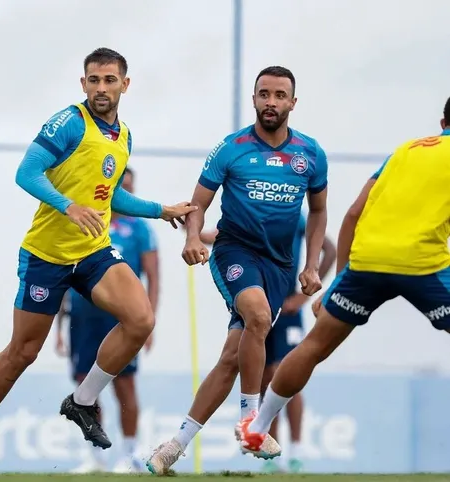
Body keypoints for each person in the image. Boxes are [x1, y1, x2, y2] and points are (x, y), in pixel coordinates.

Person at [0, 47, 196, 476]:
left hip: (93, 249)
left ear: (125, 84)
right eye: (94, 81)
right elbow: (26, 173)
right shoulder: (68, 122)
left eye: (110, 80)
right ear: (83, 84)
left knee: (140, 320)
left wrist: (162, 210)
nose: (102, 88)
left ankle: (81, 402)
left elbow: (110, 195)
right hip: (47, 255)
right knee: (22, 352)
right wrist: (68, 206)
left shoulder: (123, 136)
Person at [237, 99, 450, 459]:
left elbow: (353, 213)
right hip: (422, 265)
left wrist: (337, 284)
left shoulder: (405, 151)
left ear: (443, 120)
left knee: (314, 346)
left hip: (366, 262)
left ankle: (256, 429)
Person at [147, 65, 329, 474]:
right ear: (253, 99)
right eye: (264, 94)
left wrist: (312, 265)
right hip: (234, 252)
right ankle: (252, 423)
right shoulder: (231, 148)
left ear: (292, 103)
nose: (271, 102)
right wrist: (193, 238)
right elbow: (198, 204)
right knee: (259, 316)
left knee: (232, 357)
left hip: (280, 267)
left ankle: (173, 448)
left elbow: (318, 212)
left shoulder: (311, 154)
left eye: (280, 95)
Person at [184, 214, 336, 473]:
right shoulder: (250, 213)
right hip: (257, 306)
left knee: (287, 375)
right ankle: (266, 444)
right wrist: (194, 233)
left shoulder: (293, 216)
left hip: (287, 308)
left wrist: (302, 297)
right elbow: (221, 236)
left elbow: (329, 248)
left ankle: (297, 450)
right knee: (265, 378)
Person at [55, 166, 160, 474]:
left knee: (125, 385)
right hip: (83, 318)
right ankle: (95, 455)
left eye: (129, 188)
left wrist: (149, 321)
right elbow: (64, 275)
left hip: (122, 323)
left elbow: (153, 277)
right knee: (85, 386)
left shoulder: (141, 230)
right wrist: (58, 328)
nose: (125, 195)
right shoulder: (86, 221)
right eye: (120, 188)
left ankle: (130, 453)